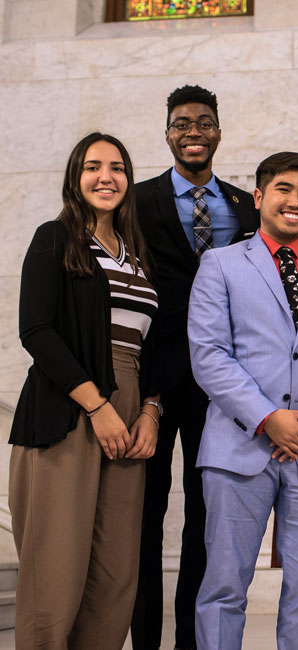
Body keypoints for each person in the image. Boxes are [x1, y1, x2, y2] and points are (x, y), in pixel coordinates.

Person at [188, 151, 298, 650]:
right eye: (284, 190)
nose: (295, 201)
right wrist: (269, 418)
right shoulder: (219, 264)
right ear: (260, 198)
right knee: (224, 586)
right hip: (237, 449)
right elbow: (208, 356)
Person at [9, 132, 159, 649]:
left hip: (130, 409)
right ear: (75, 177)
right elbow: (36, 331)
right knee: (56, 572)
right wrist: (97, 405)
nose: (106, 177)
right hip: (69, 408)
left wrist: (151, 411)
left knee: (115, 574)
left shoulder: (138, 255)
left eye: (117, 167)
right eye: (93, 166)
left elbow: (154, 345)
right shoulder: (55, 238)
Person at [133, 84, 258, 650]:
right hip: (153, 380)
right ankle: (143, 639)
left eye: (204, 122)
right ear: (167, 134)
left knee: (207, 520)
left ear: (218, 132)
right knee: (144, 516)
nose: (193, 132)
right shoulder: (136, 201)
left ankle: (192, 641)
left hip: (222, 386)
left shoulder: (244, 206)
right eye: (182, 123)